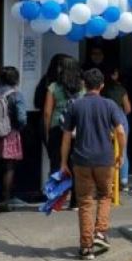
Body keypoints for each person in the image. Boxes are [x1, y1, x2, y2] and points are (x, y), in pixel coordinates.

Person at [59, 69, 126, 260]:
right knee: (105, 196)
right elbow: (120, 132)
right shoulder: (110, 105)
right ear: (102, 85)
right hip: (105, 159)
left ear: (83, 85)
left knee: (85, 201)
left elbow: (66, 137)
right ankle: (100, 233)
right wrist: (121, 153)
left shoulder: (75, 106)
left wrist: (63, 162)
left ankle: (86, 247)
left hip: (81, 160)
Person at [0, 67, 27, 212]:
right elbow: (22, 117)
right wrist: (17, 128)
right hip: (10, 134)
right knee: (8, 168)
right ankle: (4, 201)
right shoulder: (16, 94)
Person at [43, 57, 85, 198]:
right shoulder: (83, 87)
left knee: (56, 163)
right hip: (77, 130)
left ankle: (56, 199)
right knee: (75, 164)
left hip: (58, 128)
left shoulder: (53, 87)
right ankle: (75, 200)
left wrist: (47, 131)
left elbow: (48, 112)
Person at [102, 66, 132, 192]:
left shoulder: (102, 90)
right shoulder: (121, 89)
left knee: (106, 151)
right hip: (120, 119)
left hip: (105, 119)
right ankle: (123, 180)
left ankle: (108, 181)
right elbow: (128, 109)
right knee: (122, 150)